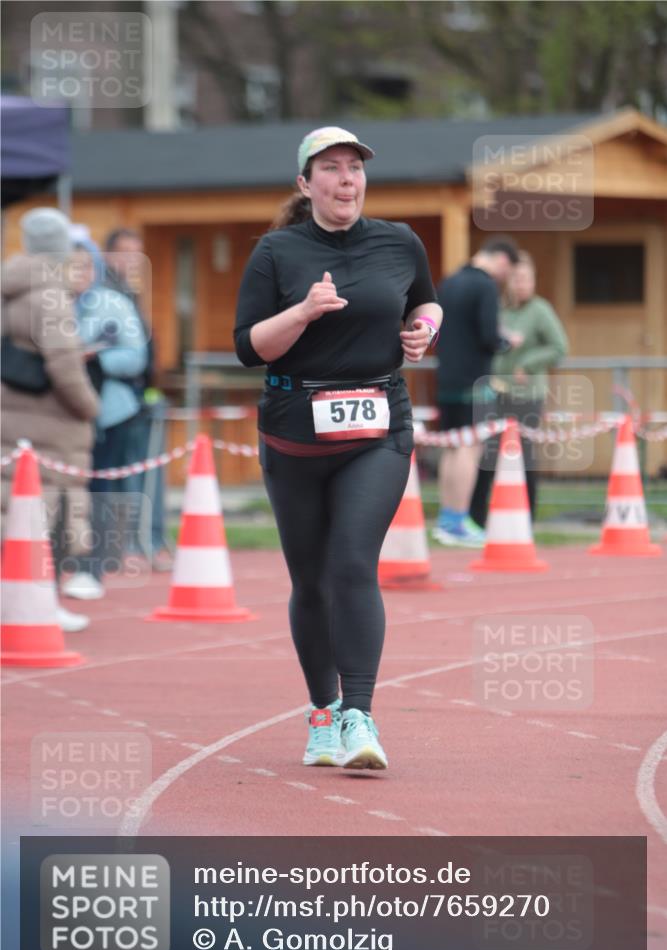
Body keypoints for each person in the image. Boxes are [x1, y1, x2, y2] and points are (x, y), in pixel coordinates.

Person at [233, 126, 441, 771]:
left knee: (353, 561)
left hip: (378, 426)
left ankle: (360, 715)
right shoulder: (276, 252)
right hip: (295, 430)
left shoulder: (399, 241)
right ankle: (321, 715)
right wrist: (303, 312)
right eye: (331, 168)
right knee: (311, 581)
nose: (346, 178)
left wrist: (422, 332)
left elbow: (427, 303)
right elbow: (248, 347)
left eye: (354, 168)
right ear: (306, 184)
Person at [1, 207, 99, 632]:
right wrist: (90, 407)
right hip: (52, 426)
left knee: (12, 513)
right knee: (50, 517)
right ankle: (42, 602)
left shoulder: (10, 289)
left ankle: (14, 600)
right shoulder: (51, 295)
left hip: (10, 418)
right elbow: (63, 366)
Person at [61, 238, 148, 600]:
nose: (80, 274)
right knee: (64, 491)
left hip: (111, 413)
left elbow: (136, 356)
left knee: (101, 487)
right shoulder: (49, 308)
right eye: (72, 266)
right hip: (63, 418)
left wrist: (95, 359)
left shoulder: (114, 304)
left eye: (86, 266)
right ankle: (63, 561)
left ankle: (94, 567)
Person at [469, 251, 569, 525]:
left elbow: (559, 347)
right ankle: (477, 518)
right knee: (488, 453)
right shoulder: (498, 308)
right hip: (496, 391)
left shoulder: (541, 310)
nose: (521, 284)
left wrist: (528, 362)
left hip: (528, 395)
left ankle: (527, 519)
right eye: (516, 278)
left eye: (526, 278)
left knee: (524, 456)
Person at [433, 237, 520, 547]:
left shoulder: (450, 282)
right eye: (508, 271)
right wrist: (506, 341)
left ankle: (447, 518)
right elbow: (487, 335)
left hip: (446, 379)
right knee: (471, 448)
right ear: (501, 261)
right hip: (474, 381)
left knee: (451, 446)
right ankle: (458, 520)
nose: (506, 278)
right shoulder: (484, 286)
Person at [104, 228, 172, 572]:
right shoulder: (105, 295)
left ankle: (148, 540)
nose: (132, 261)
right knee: (125, 474)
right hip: (117, 402)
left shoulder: (130, 291)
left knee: (143, 472)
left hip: (138, 397)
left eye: (137, 253)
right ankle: (130, 544)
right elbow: (114, 352)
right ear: (108, 255)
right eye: (125, 253)